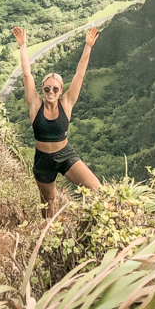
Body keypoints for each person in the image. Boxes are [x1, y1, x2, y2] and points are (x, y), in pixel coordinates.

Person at [12, 25, 101, 218]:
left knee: (97, 189)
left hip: (65, 155)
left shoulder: (66, 104)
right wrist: (23, 46)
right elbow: (27, 75)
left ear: (61, 91)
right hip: (43, 160)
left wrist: (88, 46)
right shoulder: (35, 105)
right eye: (47, 89)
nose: (51, 92)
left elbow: (80, 74)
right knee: (48, 206)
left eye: (55, 89)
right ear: (42, 90)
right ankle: (50, 240)